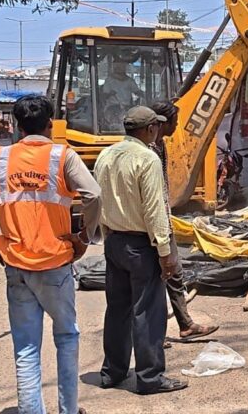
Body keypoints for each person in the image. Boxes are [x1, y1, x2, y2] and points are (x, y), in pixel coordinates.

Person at [0, 95, 101, 414]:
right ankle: (68, 410)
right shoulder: (62, 156)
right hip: (55, 262)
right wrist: (84, 238)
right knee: (66, 337)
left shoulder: (0, 158)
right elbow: (94, 195)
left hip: (16, 265)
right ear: (50, 124)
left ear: (18, 126)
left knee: (26, 347)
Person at [95, 106, 187, 395]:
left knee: (117, 310)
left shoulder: (106, 155)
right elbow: (154, 209)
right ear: (150, 129)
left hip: (114, 241)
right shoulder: (147, 158)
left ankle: (112, 371)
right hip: (140, 245)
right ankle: (150, 377)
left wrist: (106, 234)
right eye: (156, 126)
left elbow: (97, 199)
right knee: (147, 312)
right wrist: (165, 252)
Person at [149, 101, 219, 341]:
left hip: (163, 218)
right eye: (175, 122)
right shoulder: (148, 151)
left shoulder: (160, 145)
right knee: (158, 277)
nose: (177, 126)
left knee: (174, 272)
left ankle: (184, 324)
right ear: (163, 122)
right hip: (153, 223)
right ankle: (154, 336)